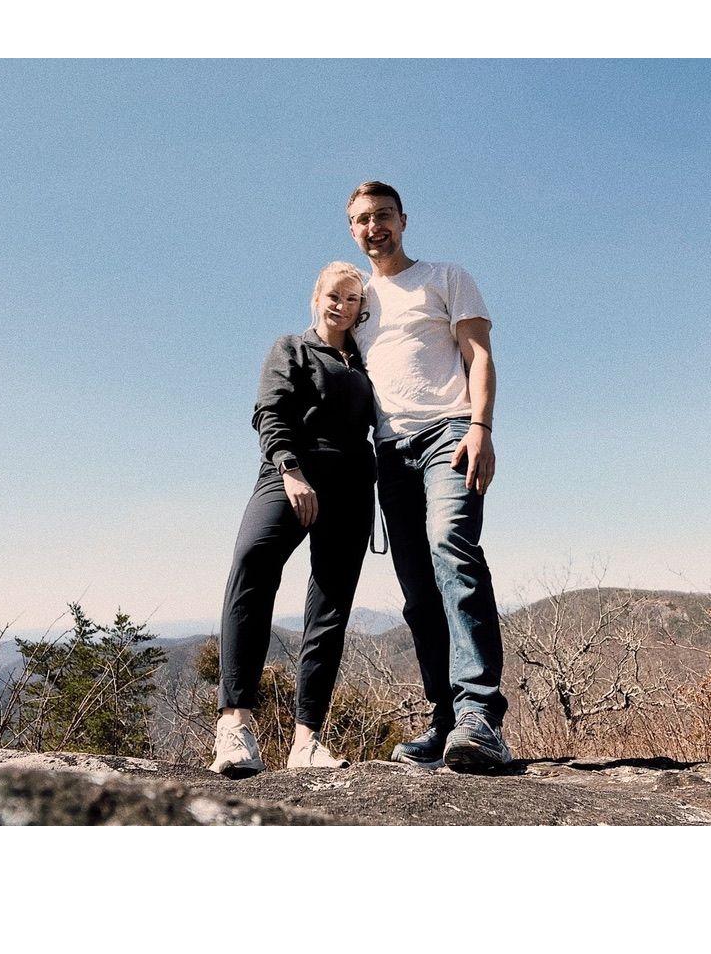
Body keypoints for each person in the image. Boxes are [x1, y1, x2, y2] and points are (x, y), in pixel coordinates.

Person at [347, 181, 511, 773]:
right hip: (389, 452)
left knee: (452, 549)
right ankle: (445, 720)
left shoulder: (445, 276)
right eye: (363, 220)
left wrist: (481, 427)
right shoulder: (357, 298)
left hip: (449, 433)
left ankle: (480, 716)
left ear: (403, 220)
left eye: (383, 216)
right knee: (418, 589)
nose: (375, 228)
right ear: (352, 230)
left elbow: (479, 355)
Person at [210, 262, 375, 777]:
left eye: (352, 299)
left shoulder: (366, 362)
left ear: (361, 309)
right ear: (316, 297)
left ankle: (307, 740)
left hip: (351, 489)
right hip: (291, 474)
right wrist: (289, 468)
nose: (341, 306)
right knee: (252, 564)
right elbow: (269, 411)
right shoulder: (292, 348)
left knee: (330, 606)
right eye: (333, 296)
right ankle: (235, 725)